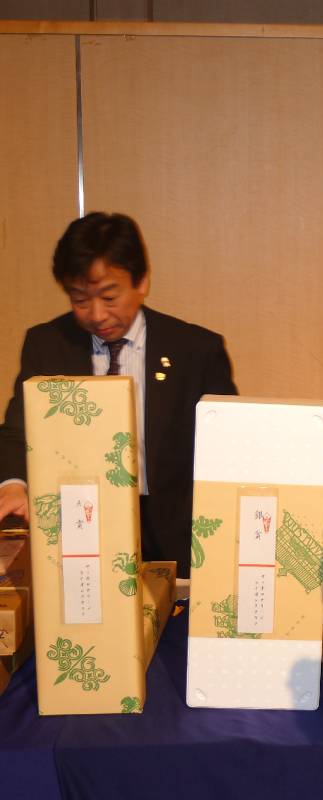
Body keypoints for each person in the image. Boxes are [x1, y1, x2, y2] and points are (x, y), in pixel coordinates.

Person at [0, 212, 237, 577]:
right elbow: (19, 429)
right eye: (80, 299)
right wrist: (14, 485)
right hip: (79, 528)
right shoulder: (47, 345)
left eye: (110, 297)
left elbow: (227, 446)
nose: (97, 314)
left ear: (142, 282)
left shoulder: (196, 350)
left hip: (176, 534)